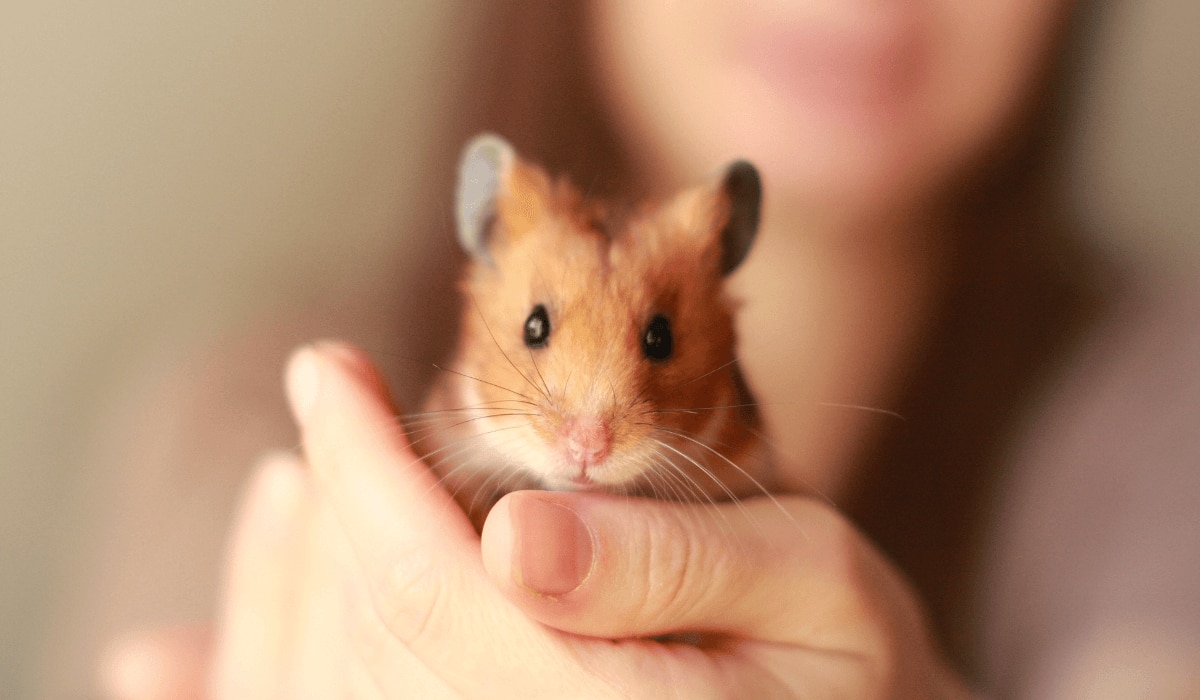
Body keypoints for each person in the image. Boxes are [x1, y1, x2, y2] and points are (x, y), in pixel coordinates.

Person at [95, 1, 1200, 697]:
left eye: (657, 340)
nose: (589, 428)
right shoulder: (236, 411)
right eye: (540, 331)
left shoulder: (1160, 419)